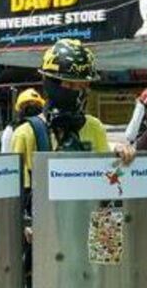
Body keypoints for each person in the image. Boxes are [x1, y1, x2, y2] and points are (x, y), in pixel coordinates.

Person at [10, 39, 135, 187]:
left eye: (83, 86)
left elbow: (106, 183)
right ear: (50, 82)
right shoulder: (26, 134)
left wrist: (120, 153)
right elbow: (18, 193)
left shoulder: (94, 127)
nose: (77, 92)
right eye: (69, 84)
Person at [0, 88, 44, 153]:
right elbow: (6, 156)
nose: (32, 107)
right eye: (28, 104)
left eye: (36, 104)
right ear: (20, 108)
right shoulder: (11, 129)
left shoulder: (43, 128)